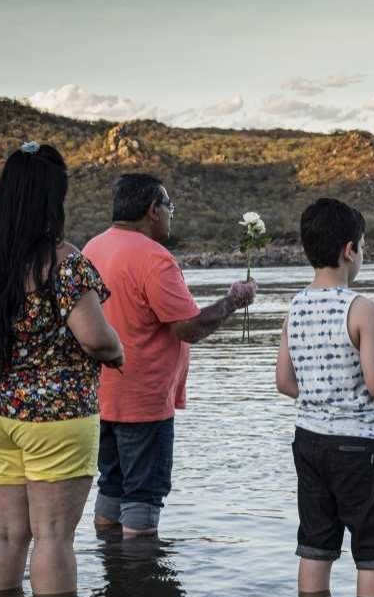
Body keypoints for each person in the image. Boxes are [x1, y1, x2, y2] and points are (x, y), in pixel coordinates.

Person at [0, 142, 124, 596]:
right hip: (55, 415)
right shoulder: (63, 261)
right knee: (53, 536)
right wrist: (117, 351)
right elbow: (95, 337)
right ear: (53, 198)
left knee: (5, 533)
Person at [83, 173, 256, 538]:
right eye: (168, 206)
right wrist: (232, 301)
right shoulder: (155, 259)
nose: (170, 214)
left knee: (111, 485)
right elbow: (188, 328)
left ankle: (109, 564)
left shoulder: (91, 249)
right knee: (143, 497)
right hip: (143, 402)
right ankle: (140, 572)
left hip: (100, 396)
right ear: (153, 210)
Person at [275, 198, 374, 597]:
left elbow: (284, 382)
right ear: (349, 250)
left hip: (309, 442)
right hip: (361, 446)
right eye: (362, 246)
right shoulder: (363, 309)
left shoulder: (295, 307)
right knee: (372, 551)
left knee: (315, 543)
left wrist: (320, 394)